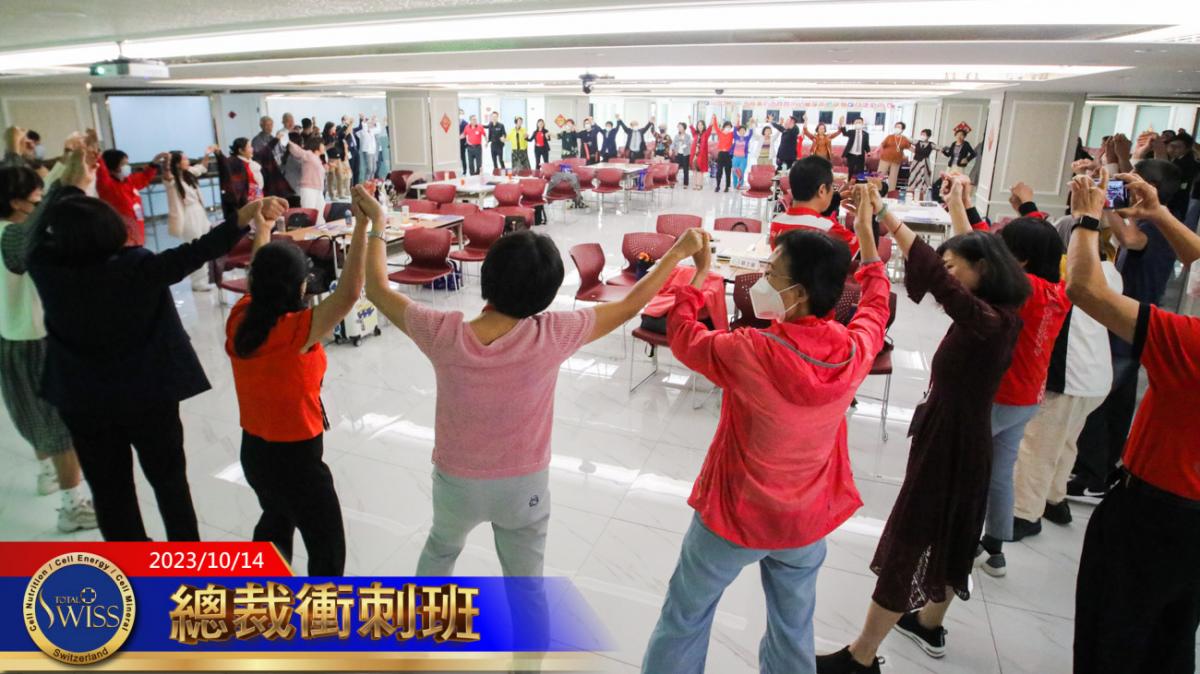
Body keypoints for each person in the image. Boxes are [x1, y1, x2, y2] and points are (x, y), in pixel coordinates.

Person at [359, 187, 709, 579]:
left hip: (457, 480)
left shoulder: (443, 332)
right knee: (526, 585)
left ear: (488, 277)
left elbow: (376, 288)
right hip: (523, 484)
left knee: (441, 549)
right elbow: (629, 305)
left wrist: (373, 224)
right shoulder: (553, 333)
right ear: (545, 296)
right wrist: (677, 253)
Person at [642, 185, 889, 674]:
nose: (762, 280)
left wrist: (699, 275)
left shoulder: (751, 351)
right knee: (793, 626)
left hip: (735, 517)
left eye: (772, 273)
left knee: (685, 616)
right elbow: (875, 309)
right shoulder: (852, 351)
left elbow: (685, 337)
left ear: (797, 294)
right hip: (804, 522)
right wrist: (867, 237)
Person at [818, 185, 1030, 674]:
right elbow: (957, 258)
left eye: (956, 268)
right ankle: (929, 623)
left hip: (951, 443)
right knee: (951, 535)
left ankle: (861, 657)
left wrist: (883, 216)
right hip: (961, 435)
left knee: (910, 540)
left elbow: (936, 275)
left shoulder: (986, 321)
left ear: (983, 270)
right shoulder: (999, 314)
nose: (947, 274)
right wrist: (880, 223)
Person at [27, 149, 288, 542]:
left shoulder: (45, 267)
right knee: (170, 484)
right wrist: (244, 218)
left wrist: (63, 181)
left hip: (83, 400)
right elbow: (197, 252)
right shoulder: (136, 268)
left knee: (110, 493)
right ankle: (183, 561)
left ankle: (131, 564)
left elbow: (33, 232)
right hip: (149, 396)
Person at [1064, 171, 1200, 674]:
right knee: (1171, 638)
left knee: (1114, 634)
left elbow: (1085, 288)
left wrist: (1086, 218)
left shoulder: (1189, 343)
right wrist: (1159, 214)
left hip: (1155, 513)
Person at [226, 184, 370, 575]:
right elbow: (348, 293)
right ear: (302, 286)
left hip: (255, 454)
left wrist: (263, 229)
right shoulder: (296, 332)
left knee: (275, 522)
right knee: (327, 551)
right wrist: (362, 225)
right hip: (298, 463)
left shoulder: (241, 319)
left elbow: (260, 276)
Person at [940, 179, 1069, 577]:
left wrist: (958, 204)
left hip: (997, 395)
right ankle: (995, 547)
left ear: (1021, 261)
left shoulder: (1021, 291)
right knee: (999, 472)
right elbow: (1029, 239)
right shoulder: (1059, 290)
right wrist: (967, 204)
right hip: (1027, 398)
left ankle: (956, 541)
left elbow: (973, 251)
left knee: (962, 468)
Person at [1069, 158, 1182, 502]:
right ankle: (1106, 469)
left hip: (1131, 319)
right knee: (1117, 399)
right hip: (1130, 318)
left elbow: (1130, 240)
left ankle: (1092, 474)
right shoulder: (1150, 220)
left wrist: (1100, 206)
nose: (1126, 187)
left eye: (1133, 181)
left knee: (1097, 397)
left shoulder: (1158, 226)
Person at [0, 165, 96, 533]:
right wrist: (67, 183)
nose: (39, 205)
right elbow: (38, 226)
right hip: (34, 341)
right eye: (35, 199)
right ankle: (73, 507)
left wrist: (66, 171)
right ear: (16, 203)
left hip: (10, 338)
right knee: (59, 427)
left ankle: (48, 474)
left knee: (31, 414)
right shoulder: (12, 237)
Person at [1010, 221, 1119, 539]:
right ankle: (1054, 499)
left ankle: (1025, 514)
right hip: (1097, 377)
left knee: (1038, 446)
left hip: (1067, 377)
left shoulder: (1061, 283)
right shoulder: (1110, 272)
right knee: (1067, 441)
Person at [769, 157, 858, 256]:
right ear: (822, 190)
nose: (833, 192)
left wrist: (836, 198)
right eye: (832, 187)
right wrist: (863, 216)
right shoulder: (828, 227)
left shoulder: (776, 222)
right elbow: (864, 252)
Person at [162, 147, 218, 291]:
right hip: (187, 214)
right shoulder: (173, 180)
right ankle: (198, 282)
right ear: (177, 163)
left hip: (199, 212)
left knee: (205, 244)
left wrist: (207, 154)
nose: (187, 161)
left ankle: (204, 279)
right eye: (185, 159)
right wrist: (167, 160)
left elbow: (203, 167)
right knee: (195, 247)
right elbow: (167, 174)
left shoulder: (189, 173)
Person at [95, 148, 167, 247]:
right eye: (124, 164)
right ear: (113, 165)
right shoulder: (107, 185)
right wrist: (97, 155)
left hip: (137, 232)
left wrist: (154, 162)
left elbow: (144, 177)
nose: (127, 167)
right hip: (122, 236)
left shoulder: (129, 181)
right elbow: (101, 172)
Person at [282, 133, 328, 224]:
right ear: (317, 145)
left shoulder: (318, 159)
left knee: (321, 212)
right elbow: (298, 151)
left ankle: (321, 229)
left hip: (318, 190)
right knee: (309, 213)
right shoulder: (309, 154)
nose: (324, 146)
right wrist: (288, 141)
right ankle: (310, 230)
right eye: (322, 144)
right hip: (309, 189)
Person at [224, 137, 264, 209]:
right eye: (249, 147)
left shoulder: (251, 162)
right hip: (246, 201)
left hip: (257, 197)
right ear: (241, 150)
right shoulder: (235, 163)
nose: (252, 149)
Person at [878, 122, 912, 192]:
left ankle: (891, 192)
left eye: (899, 127)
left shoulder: (904, 139)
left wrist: (920, 152)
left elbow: (910, 147)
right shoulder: (889, 137)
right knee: (880, 175)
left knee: (893, 178)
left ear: (902, 129)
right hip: (885, 159)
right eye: (896, 127)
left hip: (896, 161)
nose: (897, 128)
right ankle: (877, 190)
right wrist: (875, 152)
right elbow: (881, 145)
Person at [322, 121, 348, 199]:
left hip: (338, 159)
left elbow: (341, 131)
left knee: (340, 177)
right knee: (331, 178)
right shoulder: (325, 137)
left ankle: (340, 194)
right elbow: (323, 149)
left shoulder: (335, 135)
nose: (335, 129)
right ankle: (332, 195)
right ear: (329, 128)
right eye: (334, 127)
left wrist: (346, 124)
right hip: (331, 159)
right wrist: (330, 146)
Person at [908, 129, 936, 200]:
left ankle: (923, 197)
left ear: (928, 136)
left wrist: (943, 150)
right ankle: (911, 195)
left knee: (924, 178)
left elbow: (940, 148)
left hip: (925, 163)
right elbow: (907, 140)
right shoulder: (917, 141)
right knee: (913, 177)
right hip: (915, 162)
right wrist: (911, 149)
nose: (922, 136)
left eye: (924, 135)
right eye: (921, 134)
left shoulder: (931, 144)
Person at [713, 120, 735, 192]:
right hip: (721, 154)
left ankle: (727, 186)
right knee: (719, 171)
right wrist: (714, 119)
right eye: (727, 126)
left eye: (729, 127)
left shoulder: (731, 134)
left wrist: (738, 119)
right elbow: (716, 127)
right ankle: (718, 186)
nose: (728, 128)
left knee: (728, 171)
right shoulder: (720, 133)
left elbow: (737, 129)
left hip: (728, 154)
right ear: (724, 127)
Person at [731, 124, 753, 189]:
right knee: (734, 171)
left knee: (741, 171)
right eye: (741, 130)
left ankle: (740, 184)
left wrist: (751, 125)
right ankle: (735, 185)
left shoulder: (747, 138)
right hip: (735, 157)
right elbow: (734, 130)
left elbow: (751, 133)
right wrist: (736, 122)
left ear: (745, 131)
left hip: (743, 158)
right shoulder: (736, 137)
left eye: (744, 130)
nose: (742, 131)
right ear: (738, 131)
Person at [673, 123, 692, 187]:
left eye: (680, 127)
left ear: (684, 128)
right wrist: (671, 149)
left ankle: (685, 183)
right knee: (675, 169)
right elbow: (673, 144)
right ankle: (673, 181)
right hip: (678, 154)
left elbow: (688, 144)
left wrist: (682, 141)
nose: (679, 128)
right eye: (678, 127)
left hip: (685, 154)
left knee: (685, 169)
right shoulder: (676, 136)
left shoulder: (688, 136)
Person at [458, 109, 469, 175]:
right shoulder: (455, 122)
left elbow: (466, 133)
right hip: (455, 143)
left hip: (462, 143)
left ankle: (464, 170)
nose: (460, 115)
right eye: (459, 113)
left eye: (462, 113)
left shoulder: (466, 123)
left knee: (463, 157)